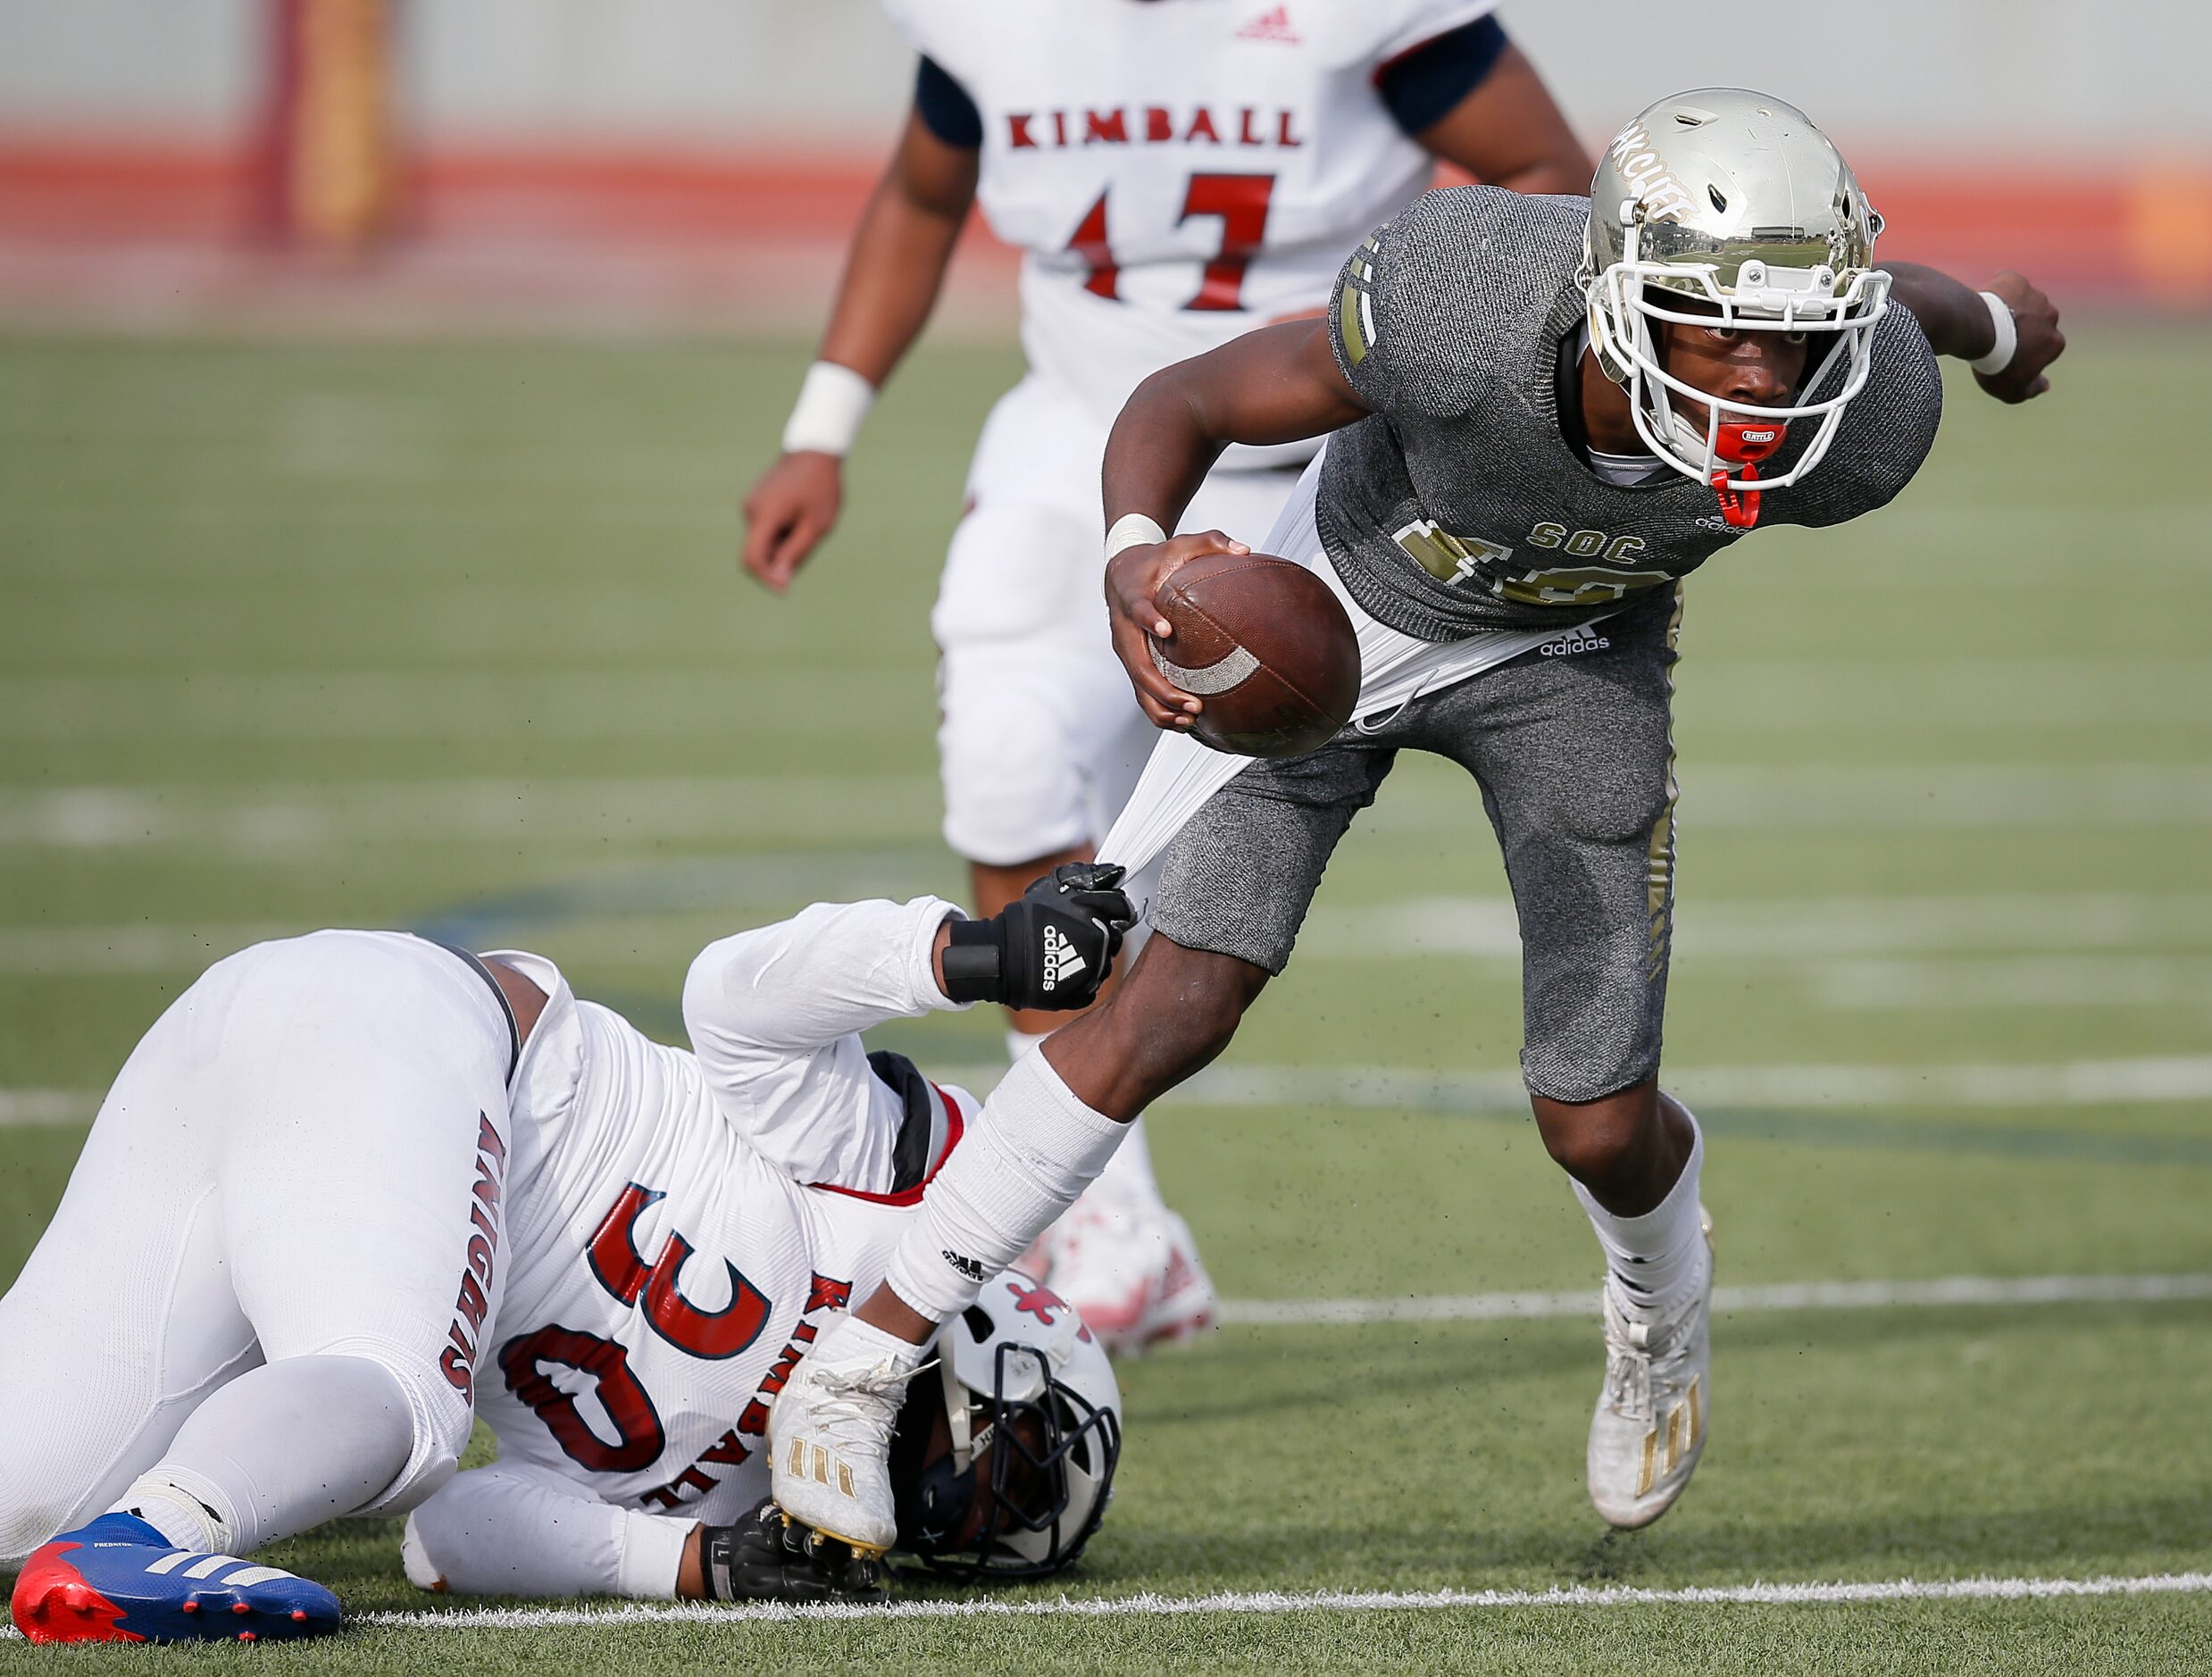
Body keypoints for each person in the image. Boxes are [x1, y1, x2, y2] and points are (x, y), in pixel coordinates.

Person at [763, 88, 2066, 1553]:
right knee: (1159, 1003)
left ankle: (1660, 1304)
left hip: (1572, 662)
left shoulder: (1861, 412)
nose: (1765, 372)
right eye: (1716, 326)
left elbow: (1900, 310)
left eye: (1793, 334)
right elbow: (1184, 399)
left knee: (1593, 1119)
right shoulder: (1466, 302)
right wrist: (1135, 564)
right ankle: (858, 1359)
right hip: (1338, 617)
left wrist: (2002, 335)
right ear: (1617, 290)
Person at [739, 0, 1590, 1348]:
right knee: (1006, 763)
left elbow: (1549, 177)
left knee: (1197, 877)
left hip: (1329, 460)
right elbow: (920, 191)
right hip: (1085, 436)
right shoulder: (994, 24)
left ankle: (1107, 1196)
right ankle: (1114, 1222)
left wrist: (1433, 357)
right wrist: (821, 426)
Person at [2, 869, 1135, 1643]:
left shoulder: (744, 1504)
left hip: (297, 1109)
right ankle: (154, 1542)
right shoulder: (912, 1196)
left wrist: (706, 1565)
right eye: (1012, 1461)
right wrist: (969, 953)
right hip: (421, 1038)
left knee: (22, 1502)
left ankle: (118, 1538)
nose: (962, 1502)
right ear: (1003, 1324)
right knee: (401, 1395)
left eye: (986, 1527)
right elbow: (735, 1001)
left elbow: (448, 1541)